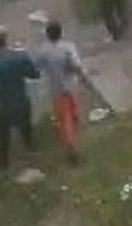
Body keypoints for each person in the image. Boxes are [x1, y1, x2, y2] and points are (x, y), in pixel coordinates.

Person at [0, 28, 39, 168]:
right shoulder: (20, 57)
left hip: (3, 107)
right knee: (27, 135)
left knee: (1, 141)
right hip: (22, 102)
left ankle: (3, 168)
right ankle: (33, 159)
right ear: (6, 41)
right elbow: (34, 74)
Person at [33, 21, 84, 161]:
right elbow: (77, 66)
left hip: (56, 89)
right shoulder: (68, 47)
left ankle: (70, 144)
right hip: (71, 86)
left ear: (47, 35)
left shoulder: (43, 51)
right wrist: (82, 77)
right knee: (73, 110)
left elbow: (36, 68)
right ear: (61, 33)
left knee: (63, 117)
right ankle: (75, 132)